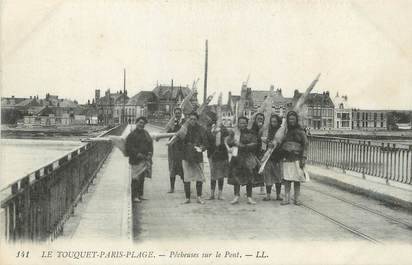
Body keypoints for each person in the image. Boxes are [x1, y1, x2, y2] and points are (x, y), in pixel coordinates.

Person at [227, 116, 259, 205]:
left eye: (245, 123)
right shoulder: (235, 133)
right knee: (236, 177)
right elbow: (229, 143)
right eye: (241, 123)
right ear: (238, 124)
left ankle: (249, 197)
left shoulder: (251, 133)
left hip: (247, 157)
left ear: (247, 124)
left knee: (249, 177)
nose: (243, 124)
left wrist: (244, 146)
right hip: (237, 157)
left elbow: (255, 143)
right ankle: (236, 196)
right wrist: (233, 142)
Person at [279, 111, 309, 205]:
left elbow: (305, 145)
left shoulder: (301, 132)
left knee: (297, 179)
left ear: (296, 120)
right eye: (289, 119)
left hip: (297, 158)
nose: (291, 121)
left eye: (293, 119)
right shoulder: (285, 131)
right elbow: (280, 142)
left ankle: (297, 198)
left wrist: (303, 157)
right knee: (287, 179)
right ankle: (286, 198)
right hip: (287, 157)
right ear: (287, 120)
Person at [181, 112, 209, 204]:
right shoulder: (184, 128)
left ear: (197, 120)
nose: (192, 121)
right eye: (191, 119)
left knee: (199, 177)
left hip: (197, 156)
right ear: (188, 119)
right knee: (187, 177)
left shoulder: (201, 130)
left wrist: (202, 148)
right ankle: (187, 198)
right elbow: (180, 141)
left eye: (194, 119)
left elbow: (205, 143)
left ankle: (199, 197)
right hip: (186, 155)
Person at [125, 116, 153, 203]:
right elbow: (128, 147)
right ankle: (134, 196)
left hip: (144, 159)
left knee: (142, 178)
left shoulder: (146, 133)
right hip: (136, 159)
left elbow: (150, 144)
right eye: (140, 123)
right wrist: (137, 154)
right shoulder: (132, 135)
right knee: (135, 178)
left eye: (143, 123)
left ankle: (140, 194)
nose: (141, 125)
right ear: (136, 123)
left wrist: (150, 154)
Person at [206, 119, 229, 200]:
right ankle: (212, 194)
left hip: (222, 154)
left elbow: (227, 134)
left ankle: (220, 194)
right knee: (213, 174)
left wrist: (220, 129)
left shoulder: (223, 128)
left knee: (221, 175)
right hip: (212, 154)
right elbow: (207, 139)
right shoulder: (208, 128)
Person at [262, 114, 283, 201]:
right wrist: (267, 141)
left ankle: (278, 195)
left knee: (278, 177)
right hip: (269, 157)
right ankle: (268, 195)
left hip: (278, 156)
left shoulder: (281, 132)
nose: (272, 123)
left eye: (275, 121)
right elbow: (264, 140)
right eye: (271, 121)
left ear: (278, 122)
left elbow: (283, 142)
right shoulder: (268, 131)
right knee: (268, 176)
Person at [165, 107, 185, 193]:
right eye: (176, 113)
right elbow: (167, 132)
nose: (177, 114)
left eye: (178, 113)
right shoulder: (171, 122)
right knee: (172, 167)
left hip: (181, 148)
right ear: (174, 114)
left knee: (183, 167)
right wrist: (173, 127)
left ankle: (186, 188)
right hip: (173, 148)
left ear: (181, 113)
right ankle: (172, 188)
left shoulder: (184, 122)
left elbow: (186, 132)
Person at [251, 113, 265, 193]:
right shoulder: (253, 128)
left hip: (261, 150)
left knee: (261, 168)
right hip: (253, 150)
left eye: (261, 119)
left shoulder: (264, 128)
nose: (260, 120)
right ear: (255, 119)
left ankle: (262, 188)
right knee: (252, 169)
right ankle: (250, 187)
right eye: (258, 118)